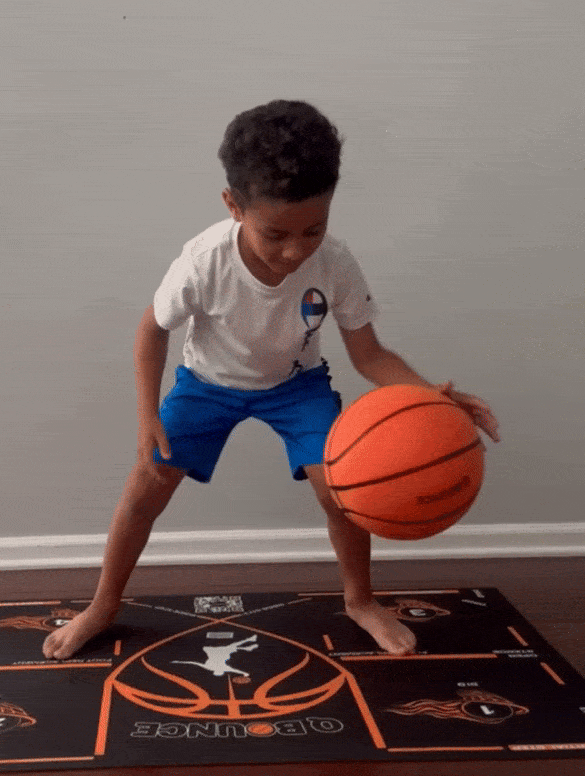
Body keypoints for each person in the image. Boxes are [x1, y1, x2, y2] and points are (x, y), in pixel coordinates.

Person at [43, 100, 500, 661]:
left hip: (296, 387)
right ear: (233, 205)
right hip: (207, 384)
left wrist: (433, 399)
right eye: (275, 232)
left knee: (342, 491)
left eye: (314, 229)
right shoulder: (202, 262)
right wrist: (146, 418)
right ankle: (103, 606)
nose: (294, 250)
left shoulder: (334, 262)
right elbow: (150, 334)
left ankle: (360, 601)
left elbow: (369, 354)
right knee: (146, 487)